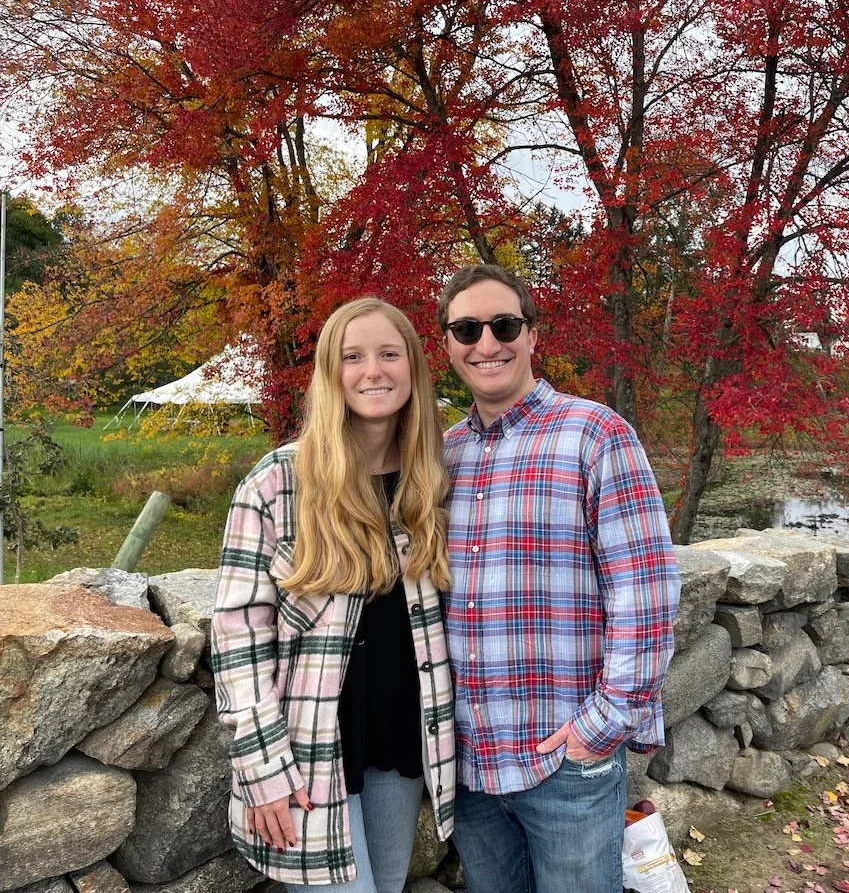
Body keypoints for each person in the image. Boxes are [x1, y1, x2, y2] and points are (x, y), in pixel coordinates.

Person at [438, 263, 681, 893]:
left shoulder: (595, 434)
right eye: (467, 328)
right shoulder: (441, 455)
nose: (486, 343)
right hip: (469, 766)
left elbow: (646, 591)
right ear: (447, 345)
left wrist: (600, 727)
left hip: (565, 758)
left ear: (533, 335)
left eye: (504, 324)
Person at [210, 298, 456, 891]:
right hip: (309, 756)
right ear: (330, 372)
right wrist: (263, 767)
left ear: (414, 368)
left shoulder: (435, 482)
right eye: (353, 357)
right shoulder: (277, 483)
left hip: (402, 747)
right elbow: (238, 637)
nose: (373, 371)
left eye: (389, 353)